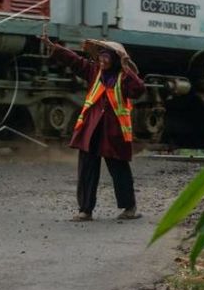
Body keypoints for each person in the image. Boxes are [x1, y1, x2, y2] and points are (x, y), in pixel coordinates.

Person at [40, 36, 146, 221]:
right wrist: (55, 48)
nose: (102, 60)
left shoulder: (124, 77)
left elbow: (138, 89)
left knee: (119, 169)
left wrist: (127, 67)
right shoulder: (94, 71)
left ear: (115, 60)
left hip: (114, 133)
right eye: (101, 56)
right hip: (91, 130)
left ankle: (130, 208)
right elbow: (75, 61)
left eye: (107, 57)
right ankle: (85, 210)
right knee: (87, 170)